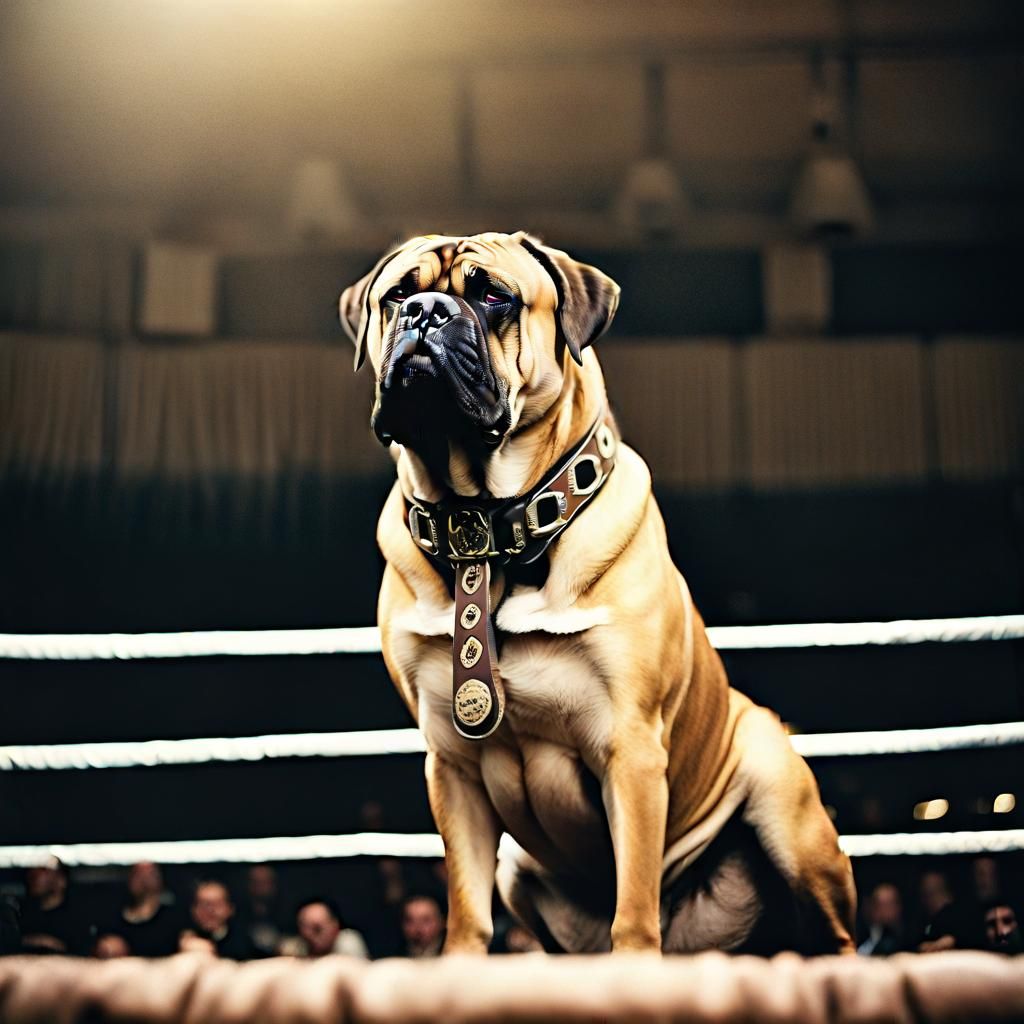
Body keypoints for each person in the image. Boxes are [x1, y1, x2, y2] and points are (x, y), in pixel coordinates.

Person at [113, 862, 182, 957]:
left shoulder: (174, 916)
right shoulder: (115, 916)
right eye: (138, 874)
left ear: (160, 878)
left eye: (150, 874)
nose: (144, 880)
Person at [18, 859, 85, 954]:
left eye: (43, 869)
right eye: (32, 869)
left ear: (61, 879)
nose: (34, 874)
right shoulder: (19, 913)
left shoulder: (77, 918)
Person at [178, 880, 256, 960]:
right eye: (203, 904)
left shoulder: (245, 943)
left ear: (230, 909)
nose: (210, 910)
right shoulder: (180, 940)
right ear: (193, 910)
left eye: (217, 904)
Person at [292, 898, 369, 958]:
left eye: (317, 928)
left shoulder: (348, 942)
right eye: (305, 926)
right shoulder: (297, 947)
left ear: (335, 925)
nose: (309, 934)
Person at [917, 870, 970, 952]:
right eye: (924, 894)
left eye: (931, 892)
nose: (926, 900)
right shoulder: (928, 923)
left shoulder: (960, 916)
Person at [857, 882, 906, 956]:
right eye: (878, 905)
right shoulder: (862, 935)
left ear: (898, 908)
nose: (883, 911)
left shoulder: (907, 942)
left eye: (888, 906)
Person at [399, 894, 445, 958]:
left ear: (441, 922)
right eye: (410, 921)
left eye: (426, 920)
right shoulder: (394, 956)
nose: (418, 928)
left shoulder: (454, 955)